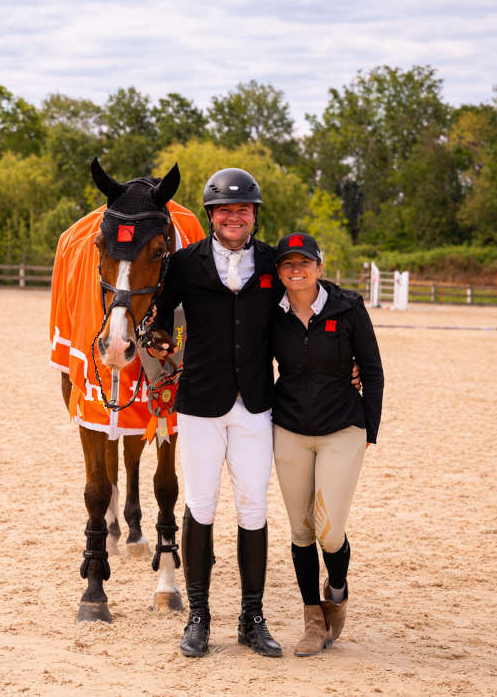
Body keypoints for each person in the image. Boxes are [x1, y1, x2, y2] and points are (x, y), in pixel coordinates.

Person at [149, 168, 285, 658]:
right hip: (200, 403)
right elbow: (161, 314)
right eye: (225, 210)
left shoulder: (274, 262)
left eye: (243, 209)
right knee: (201, 505)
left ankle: (253, 617)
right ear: (210, 215)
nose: (234, 217)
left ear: (254, 215)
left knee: (253, 507)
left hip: (255, 405)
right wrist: (159, 336)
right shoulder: (185, 263)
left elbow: (310, 309)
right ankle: (199, 617)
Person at [269, 232, 384, 657]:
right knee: (301, 531)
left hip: (342, 429)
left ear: (319, 266)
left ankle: (336, 590)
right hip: (290, 429)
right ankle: (313, 621)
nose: (296, 270)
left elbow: (372, 370)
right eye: (287, 264)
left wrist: (368, 430)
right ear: (279, 272)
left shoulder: (348, 307)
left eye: (304, 263)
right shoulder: (272, 312)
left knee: (330, 533)